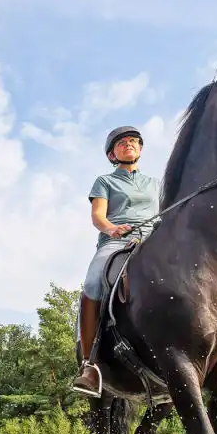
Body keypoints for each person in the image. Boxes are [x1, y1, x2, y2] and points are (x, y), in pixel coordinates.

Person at [70, 126, 161, 397]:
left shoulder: (156, 184)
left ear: (141, 149)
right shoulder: (105, 182)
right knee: (93, 281)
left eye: (133, 142)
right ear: (112, 154)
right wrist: (111, 229)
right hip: (118, 239)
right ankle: (89, 364)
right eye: (122, 143)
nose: (128, 145)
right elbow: (98, 216)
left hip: (155, 239)